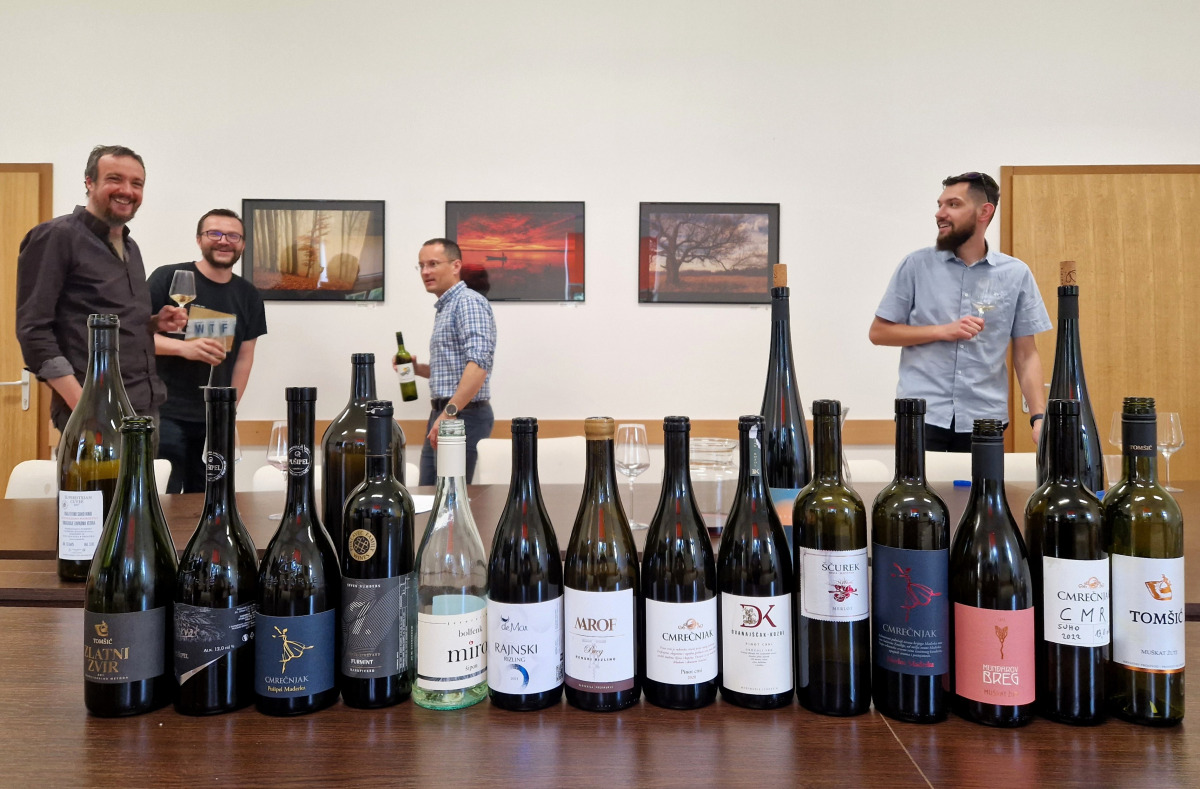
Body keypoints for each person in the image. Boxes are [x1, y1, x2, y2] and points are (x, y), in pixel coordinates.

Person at [869, 172, 1052, 452]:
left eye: (953, 204)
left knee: (981, 484)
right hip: (920, 416)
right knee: (918, 484)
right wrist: (943, 331)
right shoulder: (915, 265)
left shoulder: (1016, 273)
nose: (940, 213)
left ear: (984, 212)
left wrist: (1039, 417)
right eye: (940, 204)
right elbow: (879, 332)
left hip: (986, 417)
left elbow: (1026, 354)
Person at [16, 145, 187, 431]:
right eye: (114, 179)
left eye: (137, 183)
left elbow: (105, 321)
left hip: (145, 407)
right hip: (94, 414)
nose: (127, 190)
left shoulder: (131, 247)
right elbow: (34, 331)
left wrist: (155, 323)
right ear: (89, 182)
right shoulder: (56, 237)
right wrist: (86, 408)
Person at [146, 209, 268, 493]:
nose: (224, 241)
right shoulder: (168, 277)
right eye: (215, 233)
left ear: (243, 244)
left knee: (209, 498)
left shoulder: (249, 295)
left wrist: (228, 410)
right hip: (163, 412)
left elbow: (244, 358)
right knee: (162, 496)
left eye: (233, 236)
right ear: (199, 239)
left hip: (213, 418)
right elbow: (133, 338)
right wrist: (183, 348)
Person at [404, 238, 496, 485]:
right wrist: (417, 369)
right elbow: (453, 370)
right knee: (429, 493)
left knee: (451, 498)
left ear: (456, 266)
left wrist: (449, 413)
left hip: (461, 415)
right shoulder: (447, 306)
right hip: (446, 413)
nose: (425, 272)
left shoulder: (468, 302)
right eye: (421, 265)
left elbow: (479, 364)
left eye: (433, 264)